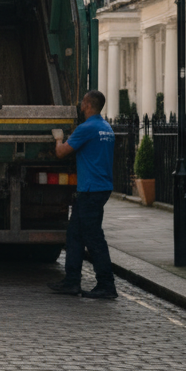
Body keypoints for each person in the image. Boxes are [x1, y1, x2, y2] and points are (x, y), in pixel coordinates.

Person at [48, 90, 118, 299]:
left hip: (90, 189)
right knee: (75, 235)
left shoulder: (86, 128)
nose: (80, 105)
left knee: (94, 238)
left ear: (87, 104)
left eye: (82, 102)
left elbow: (61, 153)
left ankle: (106, 284)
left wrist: (58, 139)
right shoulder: (106, 128)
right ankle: (72, 281)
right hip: (99, 188)